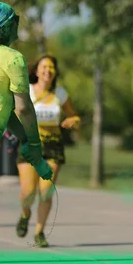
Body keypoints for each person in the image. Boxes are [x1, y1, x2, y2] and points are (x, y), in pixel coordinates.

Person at [0, 1, 53, 264]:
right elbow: (23, 107)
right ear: (4, 27)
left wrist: (23, 142)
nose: (17, 25)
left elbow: (6, 108)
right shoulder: (11, 58)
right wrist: (35, 145)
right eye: (15, 21)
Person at [15, 55, 80, 247]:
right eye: (44, 67)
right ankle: (25, 214)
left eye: (51, 67)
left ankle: (39, 233)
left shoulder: (60, 94)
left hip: (53, 147)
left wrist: (73, 121)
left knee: (46, 191)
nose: (47, 70)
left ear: (54, 73)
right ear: (36, 71)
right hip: (30, 145)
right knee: (28, 192)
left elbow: (74, 116)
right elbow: (15, 113)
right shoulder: (26, 91)